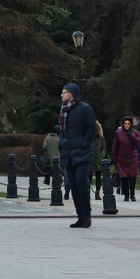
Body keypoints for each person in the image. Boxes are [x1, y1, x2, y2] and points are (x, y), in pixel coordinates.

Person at [58, 83, 97, 228]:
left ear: (72, 94)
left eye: (64, 92)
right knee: (73, 185)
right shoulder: (63, 110)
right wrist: (61, 142)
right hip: (68, 152)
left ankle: (87, 215)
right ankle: (80, 215)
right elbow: (62, 130)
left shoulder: (84, 109)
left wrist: (83, 143)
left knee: (81, 182)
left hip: (82, 153)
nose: (62, 95)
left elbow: (92, 128)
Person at [111, 115, 140, 202]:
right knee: (123, 177)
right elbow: (115, 146)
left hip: (132, 158)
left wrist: (132, 136)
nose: (127, 125)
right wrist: (114, 157)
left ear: (131, 124)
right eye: (125, 123)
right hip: (121, 158)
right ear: (123, 124)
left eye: (128, 123)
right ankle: (126, 195)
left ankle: (132, 195)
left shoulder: (134, 132)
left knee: (132, 177)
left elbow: (138, 143)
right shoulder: (118, 133)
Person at [92, 120, 106, 200]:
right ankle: (87, 192)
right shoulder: (88, 137)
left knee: (98, 177)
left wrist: (102, 156)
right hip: (90, 159)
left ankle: (97, 192)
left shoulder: (100, 137)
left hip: (98, 159)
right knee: (89, 176)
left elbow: (103, 148)